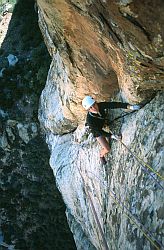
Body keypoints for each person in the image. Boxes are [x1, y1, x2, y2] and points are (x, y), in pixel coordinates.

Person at [82, 96, 140, 165]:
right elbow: (99, 132)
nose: (94, 108)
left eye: (94, 105)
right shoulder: (90, 120)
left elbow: (113, 105)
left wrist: (129, 107)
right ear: (88, 110)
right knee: (107, 149)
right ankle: (101, 155)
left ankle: (104, 124)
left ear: (96, 102)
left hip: (102, 122)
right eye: (90, 108)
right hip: (97, 131)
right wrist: (112, 136)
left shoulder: (100, 105)